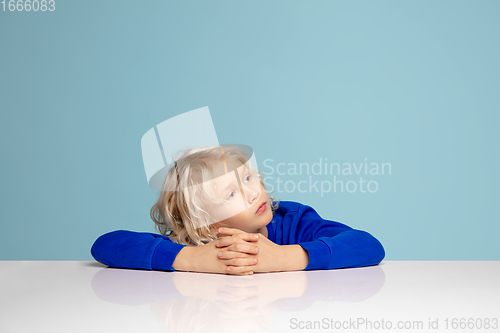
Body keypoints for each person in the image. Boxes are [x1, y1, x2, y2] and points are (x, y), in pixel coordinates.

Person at [91, 145, 385, 276]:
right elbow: (105, 246)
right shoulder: (197, 243)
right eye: (231, 193)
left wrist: (284, 257)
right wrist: (191, 259)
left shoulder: (292, 220)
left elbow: (369, 245)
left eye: (248, 177)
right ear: (204, 223)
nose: (253, 191)